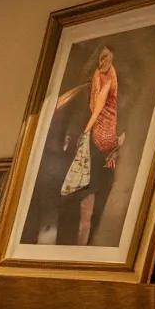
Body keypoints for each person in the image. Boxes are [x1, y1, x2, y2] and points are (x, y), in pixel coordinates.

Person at [56, 44, 127, 245]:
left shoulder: (112, 86)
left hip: (101, 155)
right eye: (102, 57)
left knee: (88, 215)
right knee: (78, 210)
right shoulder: (90, 87)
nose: (104, 62)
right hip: (87, 154)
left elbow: (108, 115)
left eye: (108, 59)